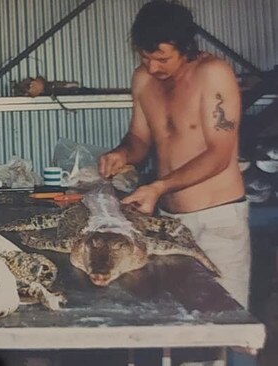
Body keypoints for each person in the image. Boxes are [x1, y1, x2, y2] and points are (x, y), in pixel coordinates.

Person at [99, 0, 250, 311]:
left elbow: (219, 156)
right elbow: (139, 138)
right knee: (179, 316)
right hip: (170, 223)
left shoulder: (214, 74)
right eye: (145, 57)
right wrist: (122, 153)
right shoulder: (143, 78)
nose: (153, 67)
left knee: (225, 319)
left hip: (217, 220)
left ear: (185, 47)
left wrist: (158, 187)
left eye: (162, 59)